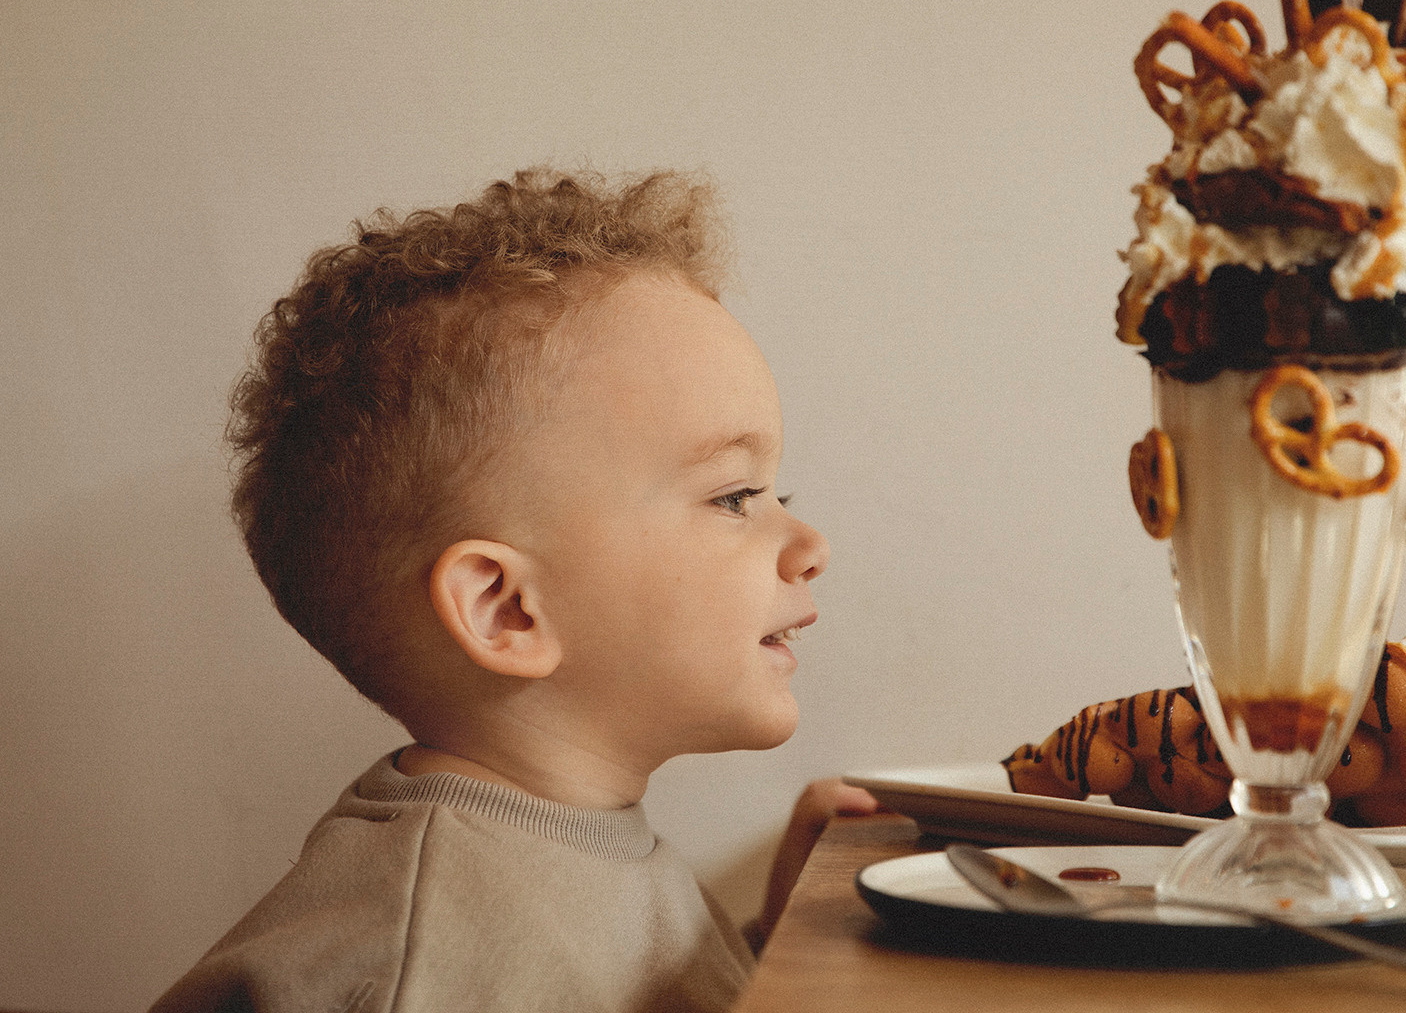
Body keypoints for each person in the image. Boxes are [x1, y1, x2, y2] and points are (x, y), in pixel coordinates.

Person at [151, 169, 876, 1013]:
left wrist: (782, 945)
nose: (812, 546)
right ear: (507, 609)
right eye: (734, 497)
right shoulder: (419, 971)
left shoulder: (567, 848)